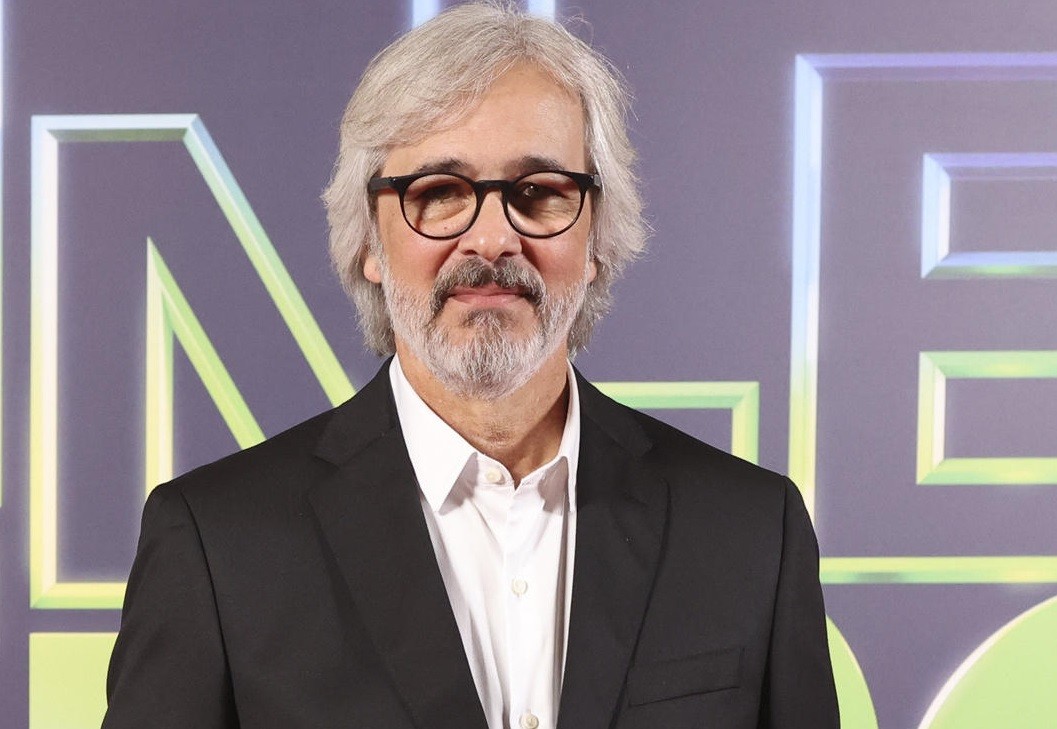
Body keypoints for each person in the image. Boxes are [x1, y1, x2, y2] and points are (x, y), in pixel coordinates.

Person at [102, 3, 839, 728]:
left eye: (538, 193)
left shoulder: (750, 532)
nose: (491, 239)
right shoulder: (217, 546)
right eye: (439, 194)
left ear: (595, 241)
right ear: (370, 241)